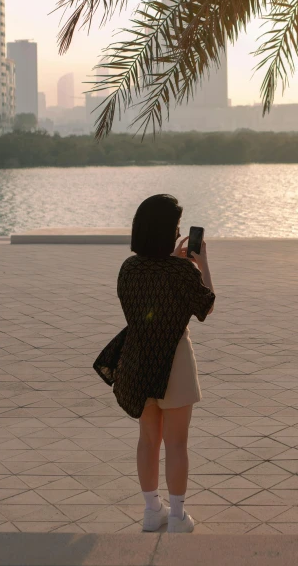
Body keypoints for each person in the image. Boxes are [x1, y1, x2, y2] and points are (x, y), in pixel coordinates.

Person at [94, 194, 215, 533]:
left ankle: (151, 511)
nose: (178, 232)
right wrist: (200, 264)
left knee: (148, 439)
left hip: (139, 361)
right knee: (176, 442)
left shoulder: (129, 268)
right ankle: (176, 516)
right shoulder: (181, 272)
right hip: (174, 362)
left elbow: (144, 301)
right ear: (165, 231)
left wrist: (175, 266)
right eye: (175, 227)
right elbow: (205, 307)